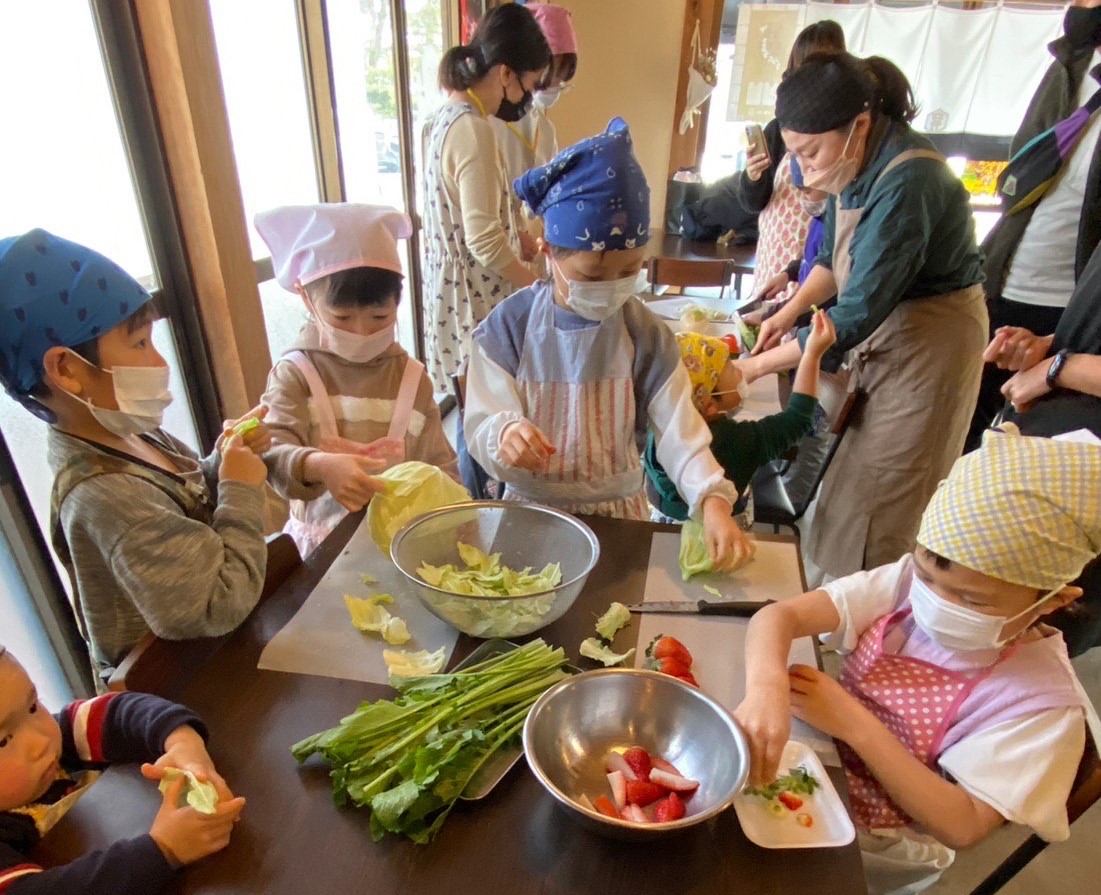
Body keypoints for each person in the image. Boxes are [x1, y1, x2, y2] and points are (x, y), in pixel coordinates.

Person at [735, 427, 1101, 895]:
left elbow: (964, 825)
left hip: (878, 844)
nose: (935, 602)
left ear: (1053, 601)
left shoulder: (1039, 706)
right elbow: (779, 615)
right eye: (927, 575)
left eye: (972, 599)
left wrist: (855, 723)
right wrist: (766, 687)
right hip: (818, 768)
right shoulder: (910, 580)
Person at [741, 52, 987, 586]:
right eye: (795, 154)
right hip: (881, 332)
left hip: (928, 346)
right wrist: (785, 314)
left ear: (859, 123)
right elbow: (832, 262)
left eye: (811, 151)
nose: (805, 169)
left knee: (883, 491)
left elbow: (855, 312)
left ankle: (861, 629)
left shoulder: (911, 177)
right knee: (843, 478)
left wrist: (754, 370)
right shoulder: (851, 163)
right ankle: (828, 602)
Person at [464, 118, 752, 569]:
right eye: (593, 276)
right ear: (548, 253)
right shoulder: (509, 329)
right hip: (530, 515)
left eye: (628, 271)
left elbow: (681, 432)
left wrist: (711, 499)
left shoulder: (646, 335)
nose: (612, 287)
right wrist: (503, 433)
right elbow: (481, 420)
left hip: (615, 519)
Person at [0, 230, 269, 686]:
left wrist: (221, 464)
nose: (158, 361)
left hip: (217, 659)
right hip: (182, 694)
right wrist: (241, 490)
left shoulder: (124, 430)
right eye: (140, 344)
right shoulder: (105, 494)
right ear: (66, 369)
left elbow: (181, 500)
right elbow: (216, 605)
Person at [255, 203, 458, 558]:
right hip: (321, 553)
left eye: (380, 316)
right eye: (342, 317)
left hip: (401, 551)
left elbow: (439, 466)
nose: (362, 331)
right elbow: (272, 453)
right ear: (306, 297)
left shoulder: (411, 378)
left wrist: (457, 516)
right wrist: (318, 465)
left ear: (399, 301)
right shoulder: (296, 373)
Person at [423, 3, 550, 496]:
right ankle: (481, 507)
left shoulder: (442, 120)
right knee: (483, 416)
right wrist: (533, 285)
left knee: (468, 402)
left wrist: (518, 233)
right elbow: (480, 239)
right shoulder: (473, 129)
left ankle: (479, 501)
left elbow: (466, 214)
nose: (525, 97)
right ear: (504, 73)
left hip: (448, 291)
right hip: (474, 296)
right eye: (528, 83)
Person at [964, 0, 1101, 452]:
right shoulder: (1071, 64)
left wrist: (1058, 366)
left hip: (1064, 297)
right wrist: (1051, 348)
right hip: (1015, 285)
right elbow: (1020, 179)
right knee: (977, 438)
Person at [0, 645, 245, 894]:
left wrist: (182, 743)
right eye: (3, 741)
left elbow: (119, 712)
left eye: (32, 707)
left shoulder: (58, 737)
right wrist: (163, 850)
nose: (40, 740)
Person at [642, 310, 835, 522]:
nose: (741, 372)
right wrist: (812, 355)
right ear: (709, 404)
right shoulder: (737, 442)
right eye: (732, 370)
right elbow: (798, 419)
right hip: (722, 528)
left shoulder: (659, 423)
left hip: (664, 516)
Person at [736, 20, 846, 303]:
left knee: (802, 318)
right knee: (769, 317)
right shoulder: (776, 129)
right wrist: (752, 177)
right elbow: (752, 202)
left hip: (817, 248)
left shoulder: (844, 132)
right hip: (776, 251)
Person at [490, 2, 577, 185]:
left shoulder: (545, 129)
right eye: (550, 75)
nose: (553, 86)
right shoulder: (487, 121)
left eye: (560, 82)